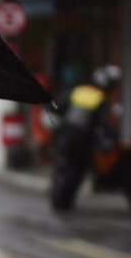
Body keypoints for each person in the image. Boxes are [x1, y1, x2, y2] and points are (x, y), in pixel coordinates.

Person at [49, 64, 119, 212]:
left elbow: (59, 106)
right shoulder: (100, 98)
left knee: (64, 165)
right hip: (83, 138)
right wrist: (112, 136)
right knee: (77, 170)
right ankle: (65, 200)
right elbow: (104, 123)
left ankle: (59, 198)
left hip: (67, 134)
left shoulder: (79, 90)